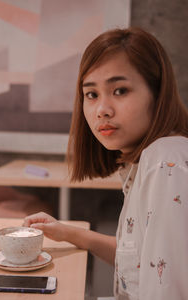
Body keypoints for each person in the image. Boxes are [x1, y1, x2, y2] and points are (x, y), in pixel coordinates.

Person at [23, 27, 188, 299]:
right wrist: (67, 233)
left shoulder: (165, 163)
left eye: (120, 90)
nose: (102, 110)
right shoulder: (151, 160)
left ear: (157, 94)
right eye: (92, 94)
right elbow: (143, 262)